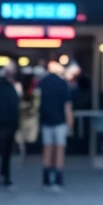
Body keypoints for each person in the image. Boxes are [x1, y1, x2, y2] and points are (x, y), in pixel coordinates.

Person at [38, 60, 74, 191]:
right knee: (59, 150)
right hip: (60, 122)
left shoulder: (42, 83)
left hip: (46, 121)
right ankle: (58, 179)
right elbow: (67, 107)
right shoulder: (62, 84)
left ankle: (46, 179)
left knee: (47, 149)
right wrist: (71, 125)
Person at [0, 63, 21, 187]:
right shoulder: (3, 85)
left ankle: (4, 175)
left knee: (6, 150)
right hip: (6, 121)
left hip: (8, 122)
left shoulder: (7, 86)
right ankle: (4, 175)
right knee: (5, 150)